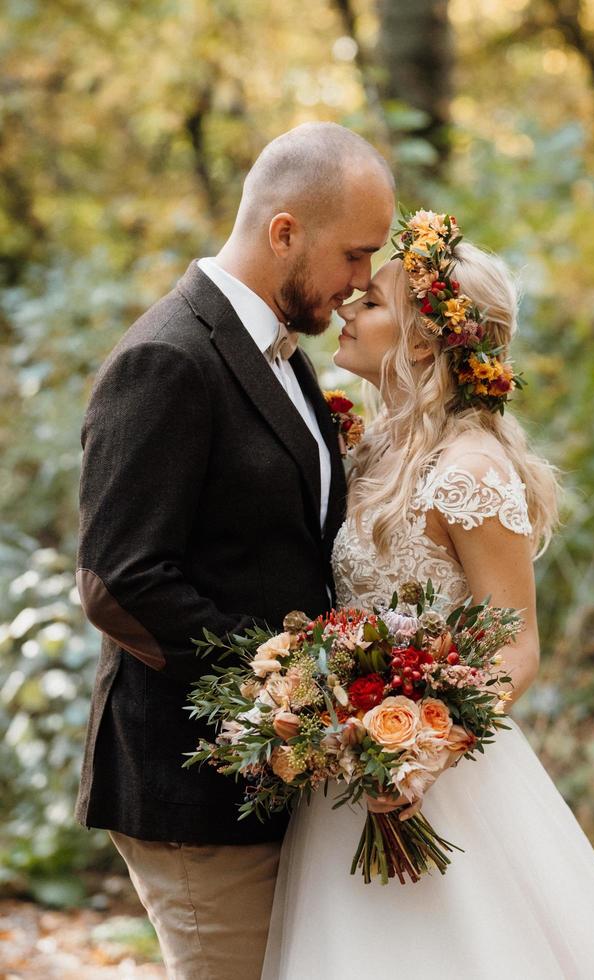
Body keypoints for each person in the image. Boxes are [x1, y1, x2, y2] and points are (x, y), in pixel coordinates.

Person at [262, 210, 594, 979]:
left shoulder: (469, 471)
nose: (345, 306)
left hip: (439, 783)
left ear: (421, 339)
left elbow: (518, 645)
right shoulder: (369, 449)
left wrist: (421, 755)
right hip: (346, 775)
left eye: (370, 302)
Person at [74, 122, 395, 980]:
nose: (363, 283)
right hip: (192, 786)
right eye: (356, 256)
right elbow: (118, 581)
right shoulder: (165, 359)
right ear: (284, 231)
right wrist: (282, 675)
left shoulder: (285, 356)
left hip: (271, 786)